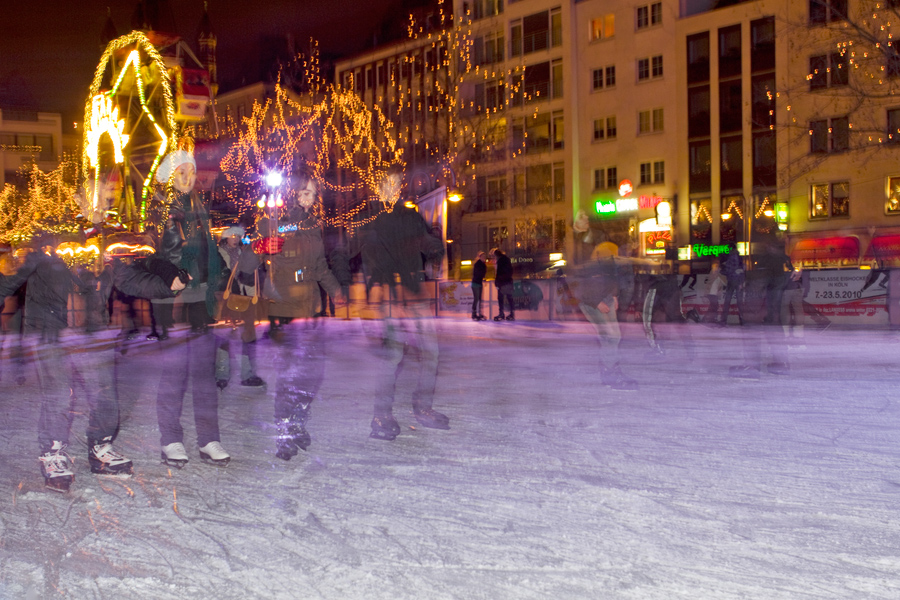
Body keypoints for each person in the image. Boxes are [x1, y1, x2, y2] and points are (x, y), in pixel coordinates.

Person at [0, 237, 187, 492]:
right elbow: (9, 277)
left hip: (93, 328)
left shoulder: (105, 247)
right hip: (51, 330)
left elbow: (129, 278)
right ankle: (54, 452)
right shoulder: (44, 245)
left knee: (105, 393)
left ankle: (101, 447)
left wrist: (168, 285)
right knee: (58, 395)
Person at [153, 148, 230, 468]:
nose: (188, 179)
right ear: (169, 177)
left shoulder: (200, 208)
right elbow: (156, 256)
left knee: (203, 374)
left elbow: (208, 252)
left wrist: (220, 276)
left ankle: (208, 438)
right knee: (174, 375)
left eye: (191, 173)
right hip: (172, 303)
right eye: (180, 173)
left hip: (201, 300)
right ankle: (171, 439)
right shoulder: (159, 210)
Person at [260, 170, 345, 460]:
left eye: (313, 193)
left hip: (310, 306)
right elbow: (270, 253)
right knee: (288, 375)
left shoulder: (313, 226)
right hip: (284, 307)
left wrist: (335, 290)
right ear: (293, 193)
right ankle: (283, 433)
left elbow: (320, 265)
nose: (311, 199)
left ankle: (297, 423)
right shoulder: (280, 222)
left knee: (312, 373)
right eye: (305, 193)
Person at [361, 199, 449, 440]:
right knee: (392, 356)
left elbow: (426, 239)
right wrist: (375, 285)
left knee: (431, 351)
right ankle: (381, 415)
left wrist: (434, 248)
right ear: (378, 187)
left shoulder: (411, 216)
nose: (392, 188)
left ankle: (423, 407)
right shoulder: (370, 217)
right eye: (387, 183)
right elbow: (365, 254)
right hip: (389, 293)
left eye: (397, 182)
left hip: (414, 291)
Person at [568, 244, 638, 391]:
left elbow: (612, 279)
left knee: (614, 336)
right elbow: (576, 286)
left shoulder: (606, 264)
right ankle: (610, 374)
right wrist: (596, 302)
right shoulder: (585, 264)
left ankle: (612, 371)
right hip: (591, 302)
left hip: (607, 298)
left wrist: (614, 295)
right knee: (610, 336)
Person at [215, 225, 265, 389]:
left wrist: (253, 296)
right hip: (227, 298)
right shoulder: (218, 254)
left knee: (248, 336)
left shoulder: (243, 254)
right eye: (232, 235)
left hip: (243, 299)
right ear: (225, 237)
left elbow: (249, 277)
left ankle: (247, 374)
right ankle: (222, 374)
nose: (235, 238)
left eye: (238, 235)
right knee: (225, 336)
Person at [718, 245, 745, 326]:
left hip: (731, 280)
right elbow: (741, 270)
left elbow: (729, 270)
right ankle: (743, 320)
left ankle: (723, 320)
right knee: (739, 302)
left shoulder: (730, 257)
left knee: (727, 301)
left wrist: (722, 269)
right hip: (738, 280)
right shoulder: (739, 257)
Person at [490, 247, 515, 321]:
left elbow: (499, 273)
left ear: (496, 255)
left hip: (502, 283)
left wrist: (497, 282)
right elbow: (510, 270)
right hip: (508, 281)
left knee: (500, 298)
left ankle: (501, 313)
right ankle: (511, 313)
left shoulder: (500, 261)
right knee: (509, 298)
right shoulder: (507, 259)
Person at [471, 251, 487, 320]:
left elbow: (482, 273)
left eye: (484, 257)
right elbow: (478, 274)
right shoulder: (478, 264)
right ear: (480, 257)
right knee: (476, 298)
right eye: (483, 257)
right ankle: (474, 313)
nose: (484, 258)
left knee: (480, 299)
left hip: (479, 283)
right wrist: (481, 277)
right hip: (475, 283)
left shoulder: (483, 264)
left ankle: (480, 313)